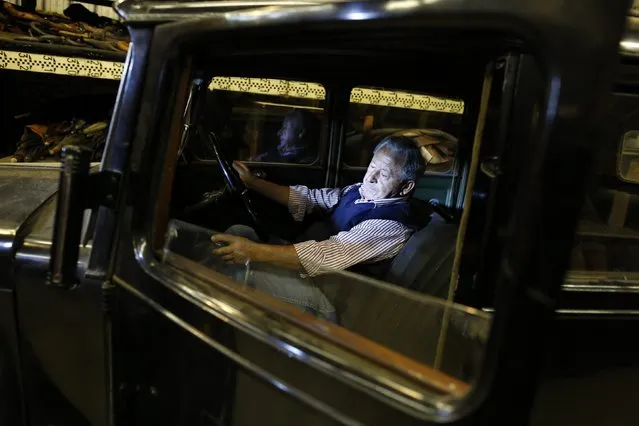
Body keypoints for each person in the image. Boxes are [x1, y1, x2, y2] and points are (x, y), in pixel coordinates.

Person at [212, 135, 426, 321]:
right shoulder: (358, 192)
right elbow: (310, 198)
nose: (370, 177)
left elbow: (323, 255)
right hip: (314, 279)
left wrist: (252, 251)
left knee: (239, 273)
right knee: (240, 232)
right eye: (372, 167)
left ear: (406, 186)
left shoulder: (390, 224)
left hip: (331, 299)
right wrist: (253, 183)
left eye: (384, 175)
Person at [250, 109, 319, 163]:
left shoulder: (306, 162)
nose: (279, 133)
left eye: (285, 128)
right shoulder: (279, 153)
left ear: (301, 132)